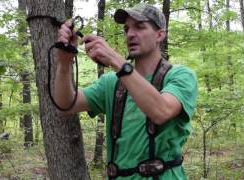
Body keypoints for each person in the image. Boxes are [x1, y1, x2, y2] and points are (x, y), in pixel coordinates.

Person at [54, 3, 197, 180]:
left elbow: (162, 111)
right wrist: (64, 63)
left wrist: (114, 58)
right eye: (127, 29)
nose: (130, 34)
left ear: (160, 34)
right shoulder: (111, 82)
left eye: (139, 27)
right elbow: (65, 105)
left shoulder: (181, 76)